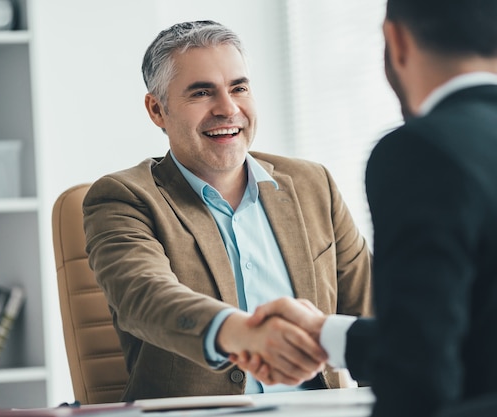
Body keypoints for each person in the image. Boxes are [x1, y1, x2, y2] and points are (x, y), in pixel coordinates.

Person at [232, 0, 497, 416]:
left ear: (395, 40)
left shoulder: (419, 150)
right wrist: (324, 334)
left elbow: (417, 376)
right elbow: (490, 342)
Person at [82, 20, 372, 401]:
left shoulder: (312, 184)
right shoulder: (123, 197)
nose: (228, 108)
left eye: (239, 87)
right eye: (202, 92)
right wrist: (241, 333)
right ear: (157, 110)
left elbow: (370, 314)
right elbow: (145, 298)